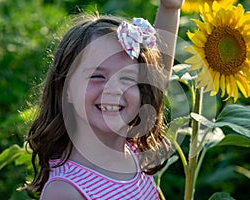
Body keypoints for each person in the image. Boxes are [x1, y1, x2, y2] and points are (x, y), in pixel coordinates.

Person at [26, 0, 183, 199]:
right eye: (97, 76)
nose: (113, 89)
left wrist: (170, 8)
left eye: (127, 78)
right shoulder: (65, 191)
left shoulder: (134, 154)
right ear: (65, 89)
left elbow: (157, 74)